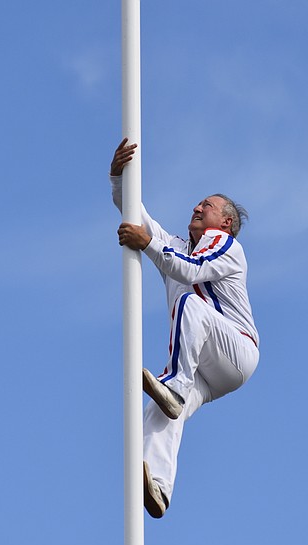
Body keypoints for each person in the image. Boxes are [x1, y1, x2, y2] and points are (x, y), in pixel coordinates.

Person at [110, 138, 260, 518]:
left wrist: (149, 246)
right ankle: (158, 486)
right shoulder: (176, 246)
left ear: (225, 222)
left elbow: (190, 270)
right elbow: (137, 218)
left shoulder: (224, 245)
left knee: (190, 303)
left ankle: (174, 385)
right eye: (197, 203)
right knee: (160, 413)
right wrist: (117, 177)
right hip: (206, 370)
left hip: (235, 351)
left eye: (206, 205)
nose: (196, 207)